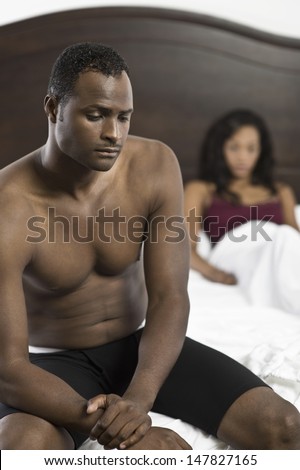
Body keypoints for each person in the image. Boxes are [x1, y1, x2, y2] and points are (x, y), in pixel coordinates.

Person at [0, 43, 300, 451]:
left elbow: (170, 296)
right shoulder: (8, 205)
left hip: (140, 347)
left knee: (285, 426)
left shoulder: (155, 166)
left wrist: (139, 400)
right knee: (21, 445)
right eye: (96, 115)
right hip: (50, 363)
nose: (114, 134)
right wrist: (119, 427)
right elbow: (8, 367)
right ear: (53, 109)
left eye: (124, 117)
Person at [184, 109, 300, 314]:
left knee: (284, 238)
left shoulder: (281, 191)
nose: (242, 157)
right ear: (220, 148)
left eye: (251, 149)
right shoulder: (201, 189)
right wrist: (216, 274)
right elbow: (184, 247)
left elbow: (294, 239)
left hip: (277, 254)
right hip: (234, 255)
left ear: (261, 151)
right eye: (234, 147)